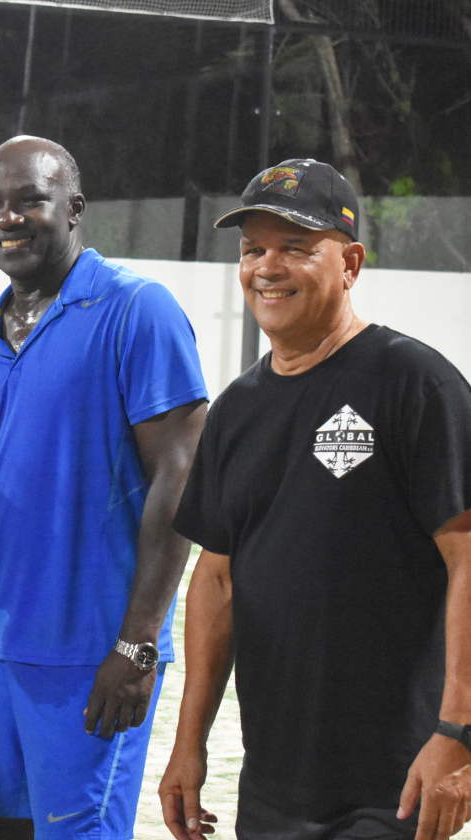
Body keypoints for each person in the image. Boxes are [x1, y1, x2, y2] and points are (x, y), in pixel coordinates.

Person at [0, 135, 208, 840]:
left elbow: (180, 478)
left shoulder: (136, 310)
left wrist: (136, 647)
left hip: (91, 658)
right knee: (0, 831)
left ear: (73, 209)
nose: (8, 218)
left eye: (29, 200)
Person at [159, 159, 471, 840]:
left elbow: (468, 558)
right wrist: (190, 742)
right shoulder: (236, 410)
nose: (267, 266)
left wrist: (459, 732)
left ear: (351, 263)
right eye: (253, 249)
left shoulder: (416, 383)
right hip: (273, 783)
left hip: (394, 779)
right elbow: (216, 579)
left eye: (296, 247)